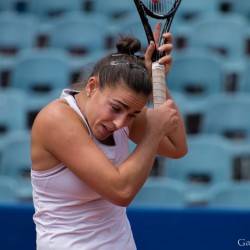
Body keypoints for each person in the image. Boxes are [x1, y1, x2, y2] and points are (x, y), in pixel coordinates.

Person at [31, 24, 188, 250]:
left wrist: (158, 81)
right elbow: (121, 191)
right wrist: (152, 133)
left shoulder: (124, 111)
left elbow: (176, 147)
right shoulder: (56, 118)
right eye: (116, 108)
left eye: (133, 115)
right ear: (92, 86)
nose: (120, 123)